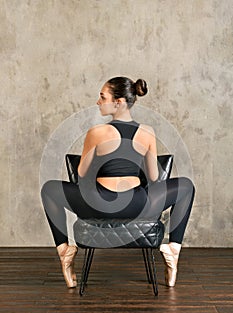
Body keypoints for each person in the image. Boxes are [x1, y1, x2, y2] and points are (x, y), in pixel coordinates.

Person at [41, 76, 195, 288]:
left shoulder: (96, 132)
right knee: (186, 186)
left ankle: (65, 251)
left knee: (50, 189)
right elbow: (153, 177)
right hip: (139, 206)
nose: (98, 102)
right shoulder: (147, 132)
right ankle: (173, 249)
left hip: (99, 205)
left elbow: (82, 173)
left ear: (119, 102)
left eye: (102, 97)